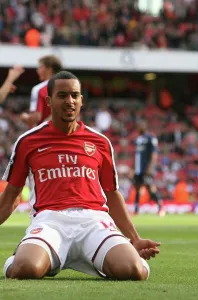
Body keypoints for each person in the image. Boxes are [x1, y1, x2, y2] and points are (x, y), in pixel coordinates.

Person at [0, 71, 160, 280]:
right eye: (62, 95)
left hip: (94, 221)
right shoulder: (28, 141)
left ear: (81, 100)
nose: (70, 101)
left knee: (134, 271)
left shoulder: (100, 142)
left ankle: (110, 254)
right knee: (24, 269)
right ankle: (22, 254)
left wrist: (135, 238)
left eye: (75, 95)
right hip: (50, 221)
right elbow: (12, 195)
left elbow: (112, 194)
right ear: (48, 101)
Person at [20, 55, 62, 127]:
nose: (37, 70)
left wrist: (24, 117)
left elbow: (36, 117)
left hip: (48, 135)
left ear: (49, 69)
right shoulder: (68, 87)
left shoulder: (39, 89)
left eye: (40, 67)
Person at [133, 121, 164, 216]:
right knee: (137, 188)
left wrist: (150, 168)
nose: (139, 127)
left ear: (145, 127)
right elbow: (137, 156)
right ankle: (136, 210)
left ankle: (160, 208)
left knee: (151, 188)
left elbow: (154, 154)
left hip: (146, 169)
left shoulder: (150, 138)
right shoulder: (138, 140)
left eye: (141, 125)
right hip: (138, 170)